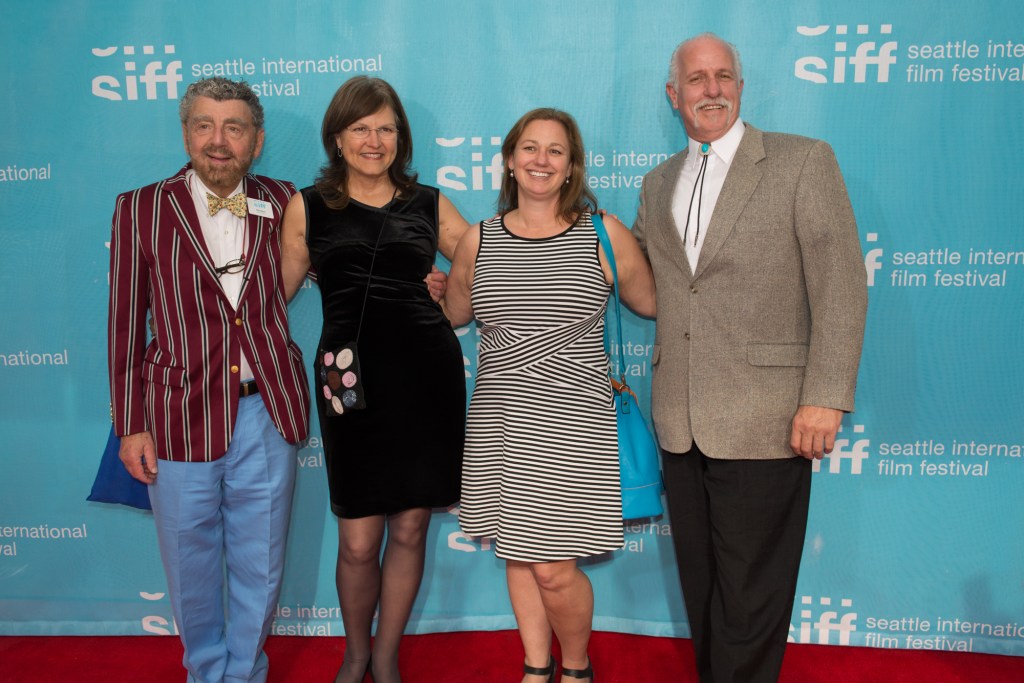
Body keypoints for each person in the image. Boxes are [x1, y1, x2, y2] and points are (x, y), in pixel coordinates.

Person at [633, 33, 868, 682]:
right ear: (673, 94)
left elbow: (841, 284)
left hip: (768, 418)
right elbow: (646, 282)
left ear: (740, 86)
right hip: (680, 421)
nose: (711, 89)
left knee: (751, 598)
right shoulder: (657, 183)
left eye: (723, 76)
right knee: (705, 589)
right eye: (697, 78)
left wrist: (825, 396)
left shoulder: (802, 161)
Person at [108, 77, 310, 683]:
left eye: (234, 128)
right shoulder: (140, 208)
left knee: (261, 561)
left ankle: (244, 673)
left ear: (257, 141)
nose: (218, 141)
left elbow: (348, 262)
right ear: (186, 134)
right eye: (205, 125)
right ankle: (204, 672)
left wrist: (425, 281)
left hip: (266, 410)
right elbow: (124, 325)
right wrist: (131, 424)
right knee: (188, 564)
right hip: (177, 414)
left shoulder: (287, 200)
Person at [446, 108, 656, 683]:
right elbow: (455, 313)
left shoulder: (602, 234)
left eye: (555, 150)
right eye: (530, 148)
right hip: (498, 422)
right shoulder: (478, 238)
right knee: (517, 553)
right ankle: (537, 668)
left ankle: (578, 669)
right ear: (510, 161)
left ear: (571, 167)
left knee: (552, 568)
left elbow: (654, 302)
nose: (541, 160)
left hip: (573, 427)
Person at [280, 76, 468, 683]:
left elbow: (490, 255)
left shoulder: (429, 203)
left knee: (410, 527)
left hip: (426, 376)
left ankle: (385, 658)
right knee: (359, 540)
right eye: (361, 127)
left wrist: (452, 287)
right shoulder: (308, 207)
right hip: (348, 379)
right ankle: (355, 653)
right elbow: (270, 297)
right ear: (337, 137)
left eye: (386, 128)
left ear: (400, 138)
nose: (374, 140)